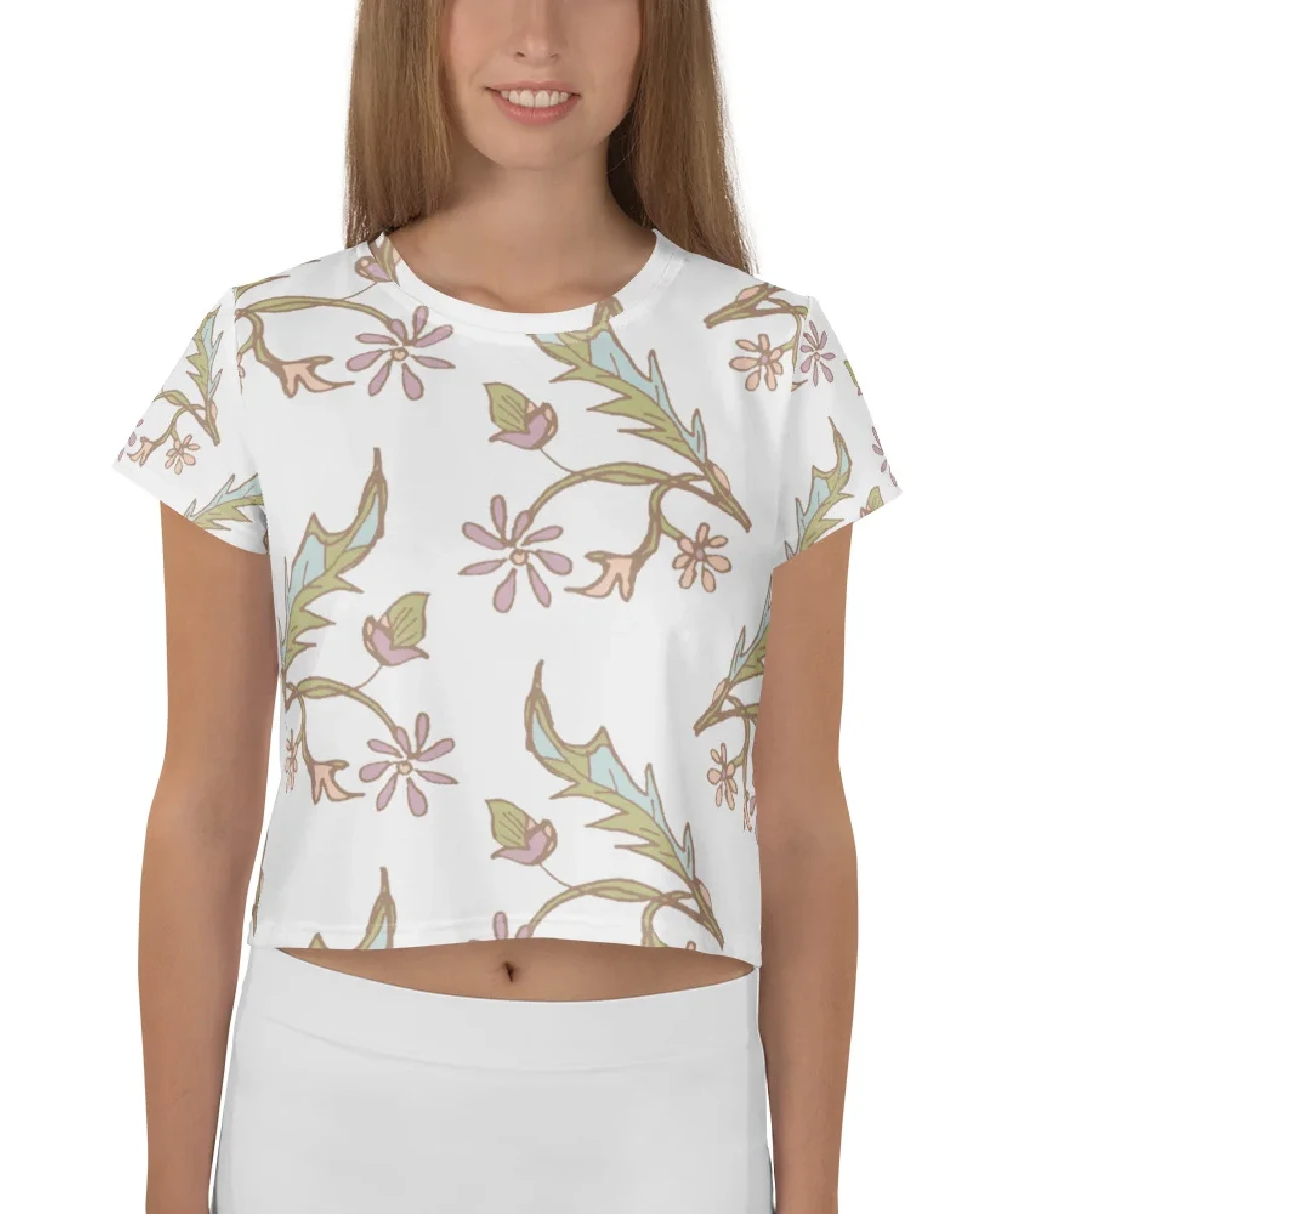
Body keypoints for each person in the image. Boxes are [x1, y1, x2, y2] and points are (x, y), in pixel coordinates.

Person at [110, 2, 905, 1210]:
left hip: (661, 1115)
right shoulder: (267, 349)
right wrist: (171, 1192)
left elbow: (797, 822)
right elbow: (203, 812)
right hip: (332, 1104)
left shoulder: (768, 358)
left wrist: (813, 1195)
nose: (537, 33)